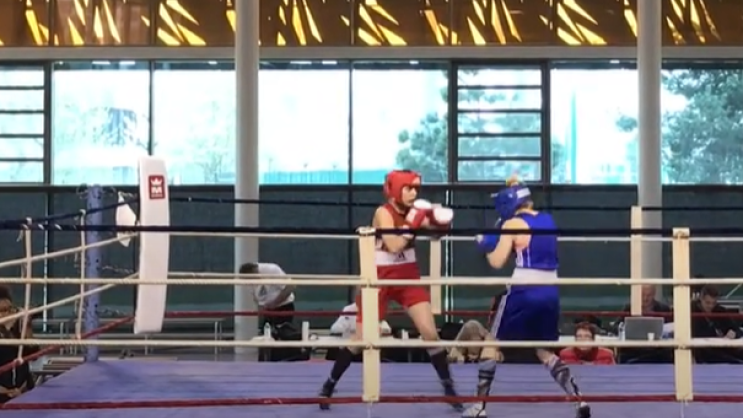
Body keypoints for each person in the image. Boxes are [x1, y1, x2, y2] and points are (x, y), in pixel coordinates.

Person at [318, 169, 462, 411]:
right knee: (361, 338)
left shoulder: (414, 211)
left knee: (430, 333)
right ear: (395, 189)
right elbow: (394, 245)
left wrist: (439, 222)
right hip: (380, 279)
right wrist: (412, 222)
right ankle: (329, 384)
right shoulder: (383, 213)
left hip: (408, 276)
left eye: (416, 189)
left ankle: (449, 388)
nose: (414, 193)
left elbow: (436, 235)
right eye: (408, 188)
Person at [468, 177, 590, 418]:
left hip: (523, 289)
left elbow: (497, 262)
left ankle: (479, 406)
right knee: (543, 350)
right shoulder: (548, 220)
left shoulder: (512, 224)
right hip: (550, 289)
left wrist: (485, 244)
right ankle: (579, 400)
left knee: (491, 343)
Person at [241, 262, 295, 329]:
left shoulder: (271, 270)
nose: (250, 282)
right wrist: (261, 306)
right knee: (266, 332)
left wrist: (274, 303)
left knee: (282, 331)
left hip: (283, 307)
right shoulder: (249, 280)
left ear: (254, 271)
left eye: (250, 279)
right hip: (267, 310)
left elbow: (291, 286)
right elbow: (255, 297)